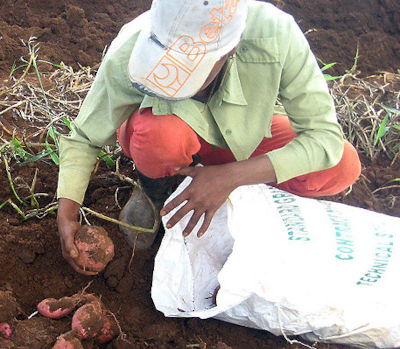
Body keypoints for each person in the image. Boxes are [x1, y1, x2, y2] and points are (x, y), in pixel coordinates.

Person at [56, 0, 361, 275]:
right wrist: (66, 214)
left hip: (240, 136)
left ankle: (243, 202)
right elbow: (84, 136)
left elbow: (323, 139)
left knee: (342, 165)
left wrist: (230, 177)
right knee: (160, 134)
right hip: (160, 136)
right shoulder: (135, 44)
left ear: (230, 50)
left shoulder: (275, 32)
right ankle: (154, 193)